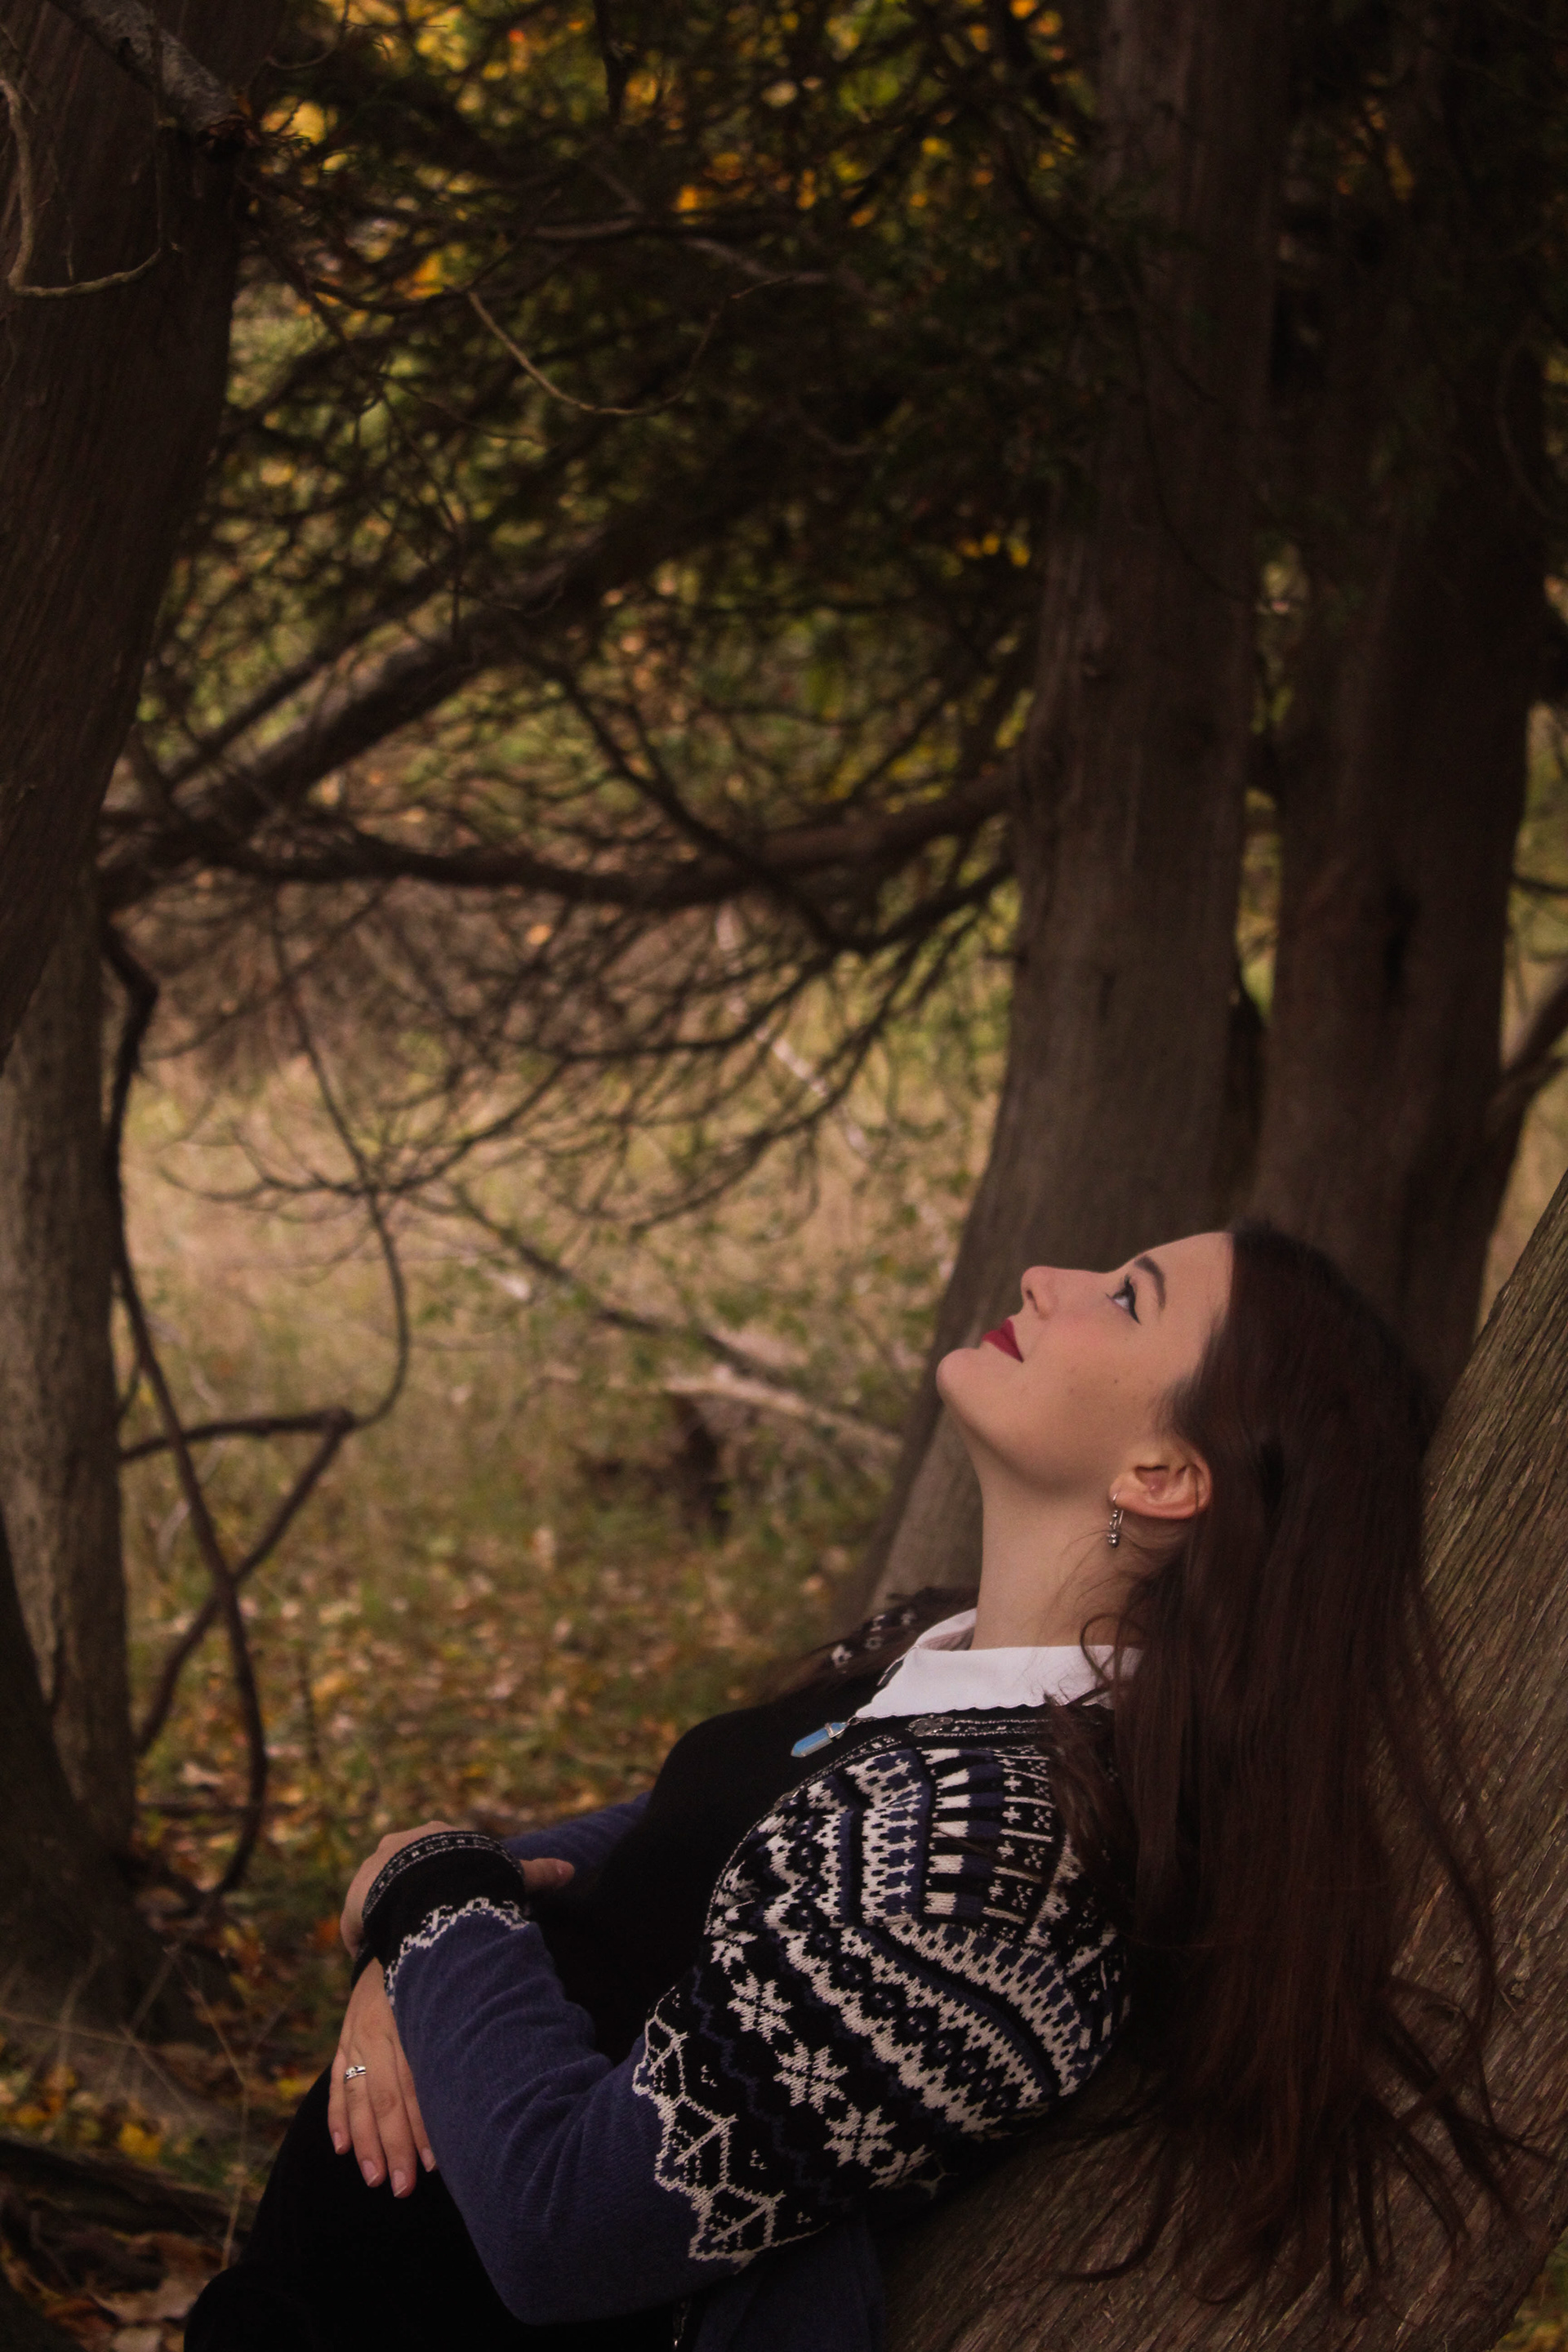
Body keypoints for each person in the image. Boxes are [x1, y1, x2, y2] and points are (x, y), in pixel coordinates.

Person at [187, 1226, 1506, 2352]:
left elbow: (564, 2225)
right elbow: (663, 1843)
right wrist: (433, 1926)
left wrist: (428, 1912)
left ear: (1161, 1477)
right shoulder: (934, 1653)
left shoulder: (1004, 1865)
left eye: (1126, 1297)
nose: (1049, 1274)